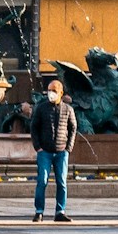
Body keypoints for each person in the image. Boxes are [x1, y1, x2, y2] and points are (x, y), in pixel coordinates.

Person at [30, 79, 78, 223]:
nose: (51, 93)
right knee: (42, 181)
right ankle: (39, 212)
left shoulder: (68, 109)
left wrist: (68, 148)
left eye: (54, 91)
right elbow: (34, 127)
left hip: (61, 152)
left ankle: (60, 212)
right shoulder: (41, 108)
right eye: (49, 90)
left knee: (62, 182)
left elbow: (73, 128)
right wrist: (38, 147)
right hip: (44, 152)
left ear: (61, 93)